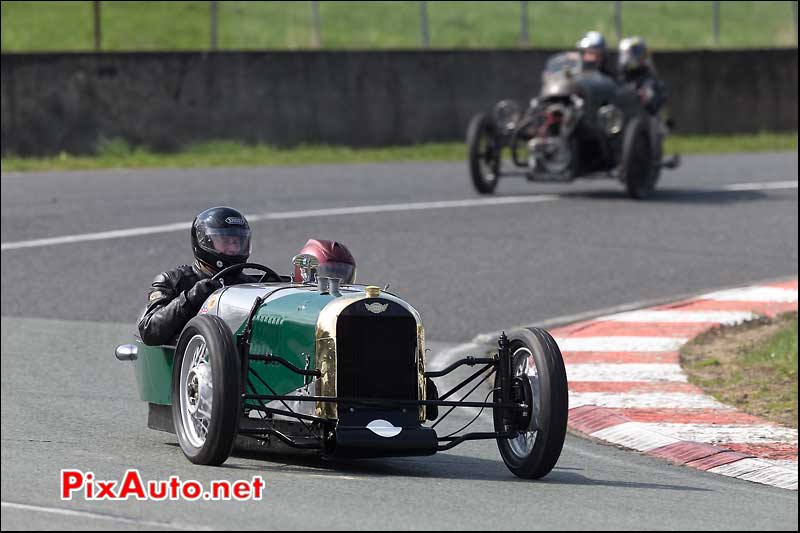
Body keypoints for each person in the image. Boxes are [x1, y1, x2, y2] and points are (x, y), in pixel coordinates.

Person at [138, 206, 257, 346]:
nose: (232, 249)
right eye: (225, 241)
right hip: (192, 363)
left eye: (236, 242)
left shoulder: (253, 286)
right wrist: (190, 298)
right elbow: (149, 331)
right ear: (204, 241)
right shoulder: (174, 281)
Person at [617, 36, 667, 116]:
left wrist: (645, 98)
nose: (641, 56)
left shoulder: (651, 81)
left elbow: (657, 103)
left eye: (641, 52)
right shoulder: (619, 80)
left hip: (647, 122)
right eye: (637, 52)